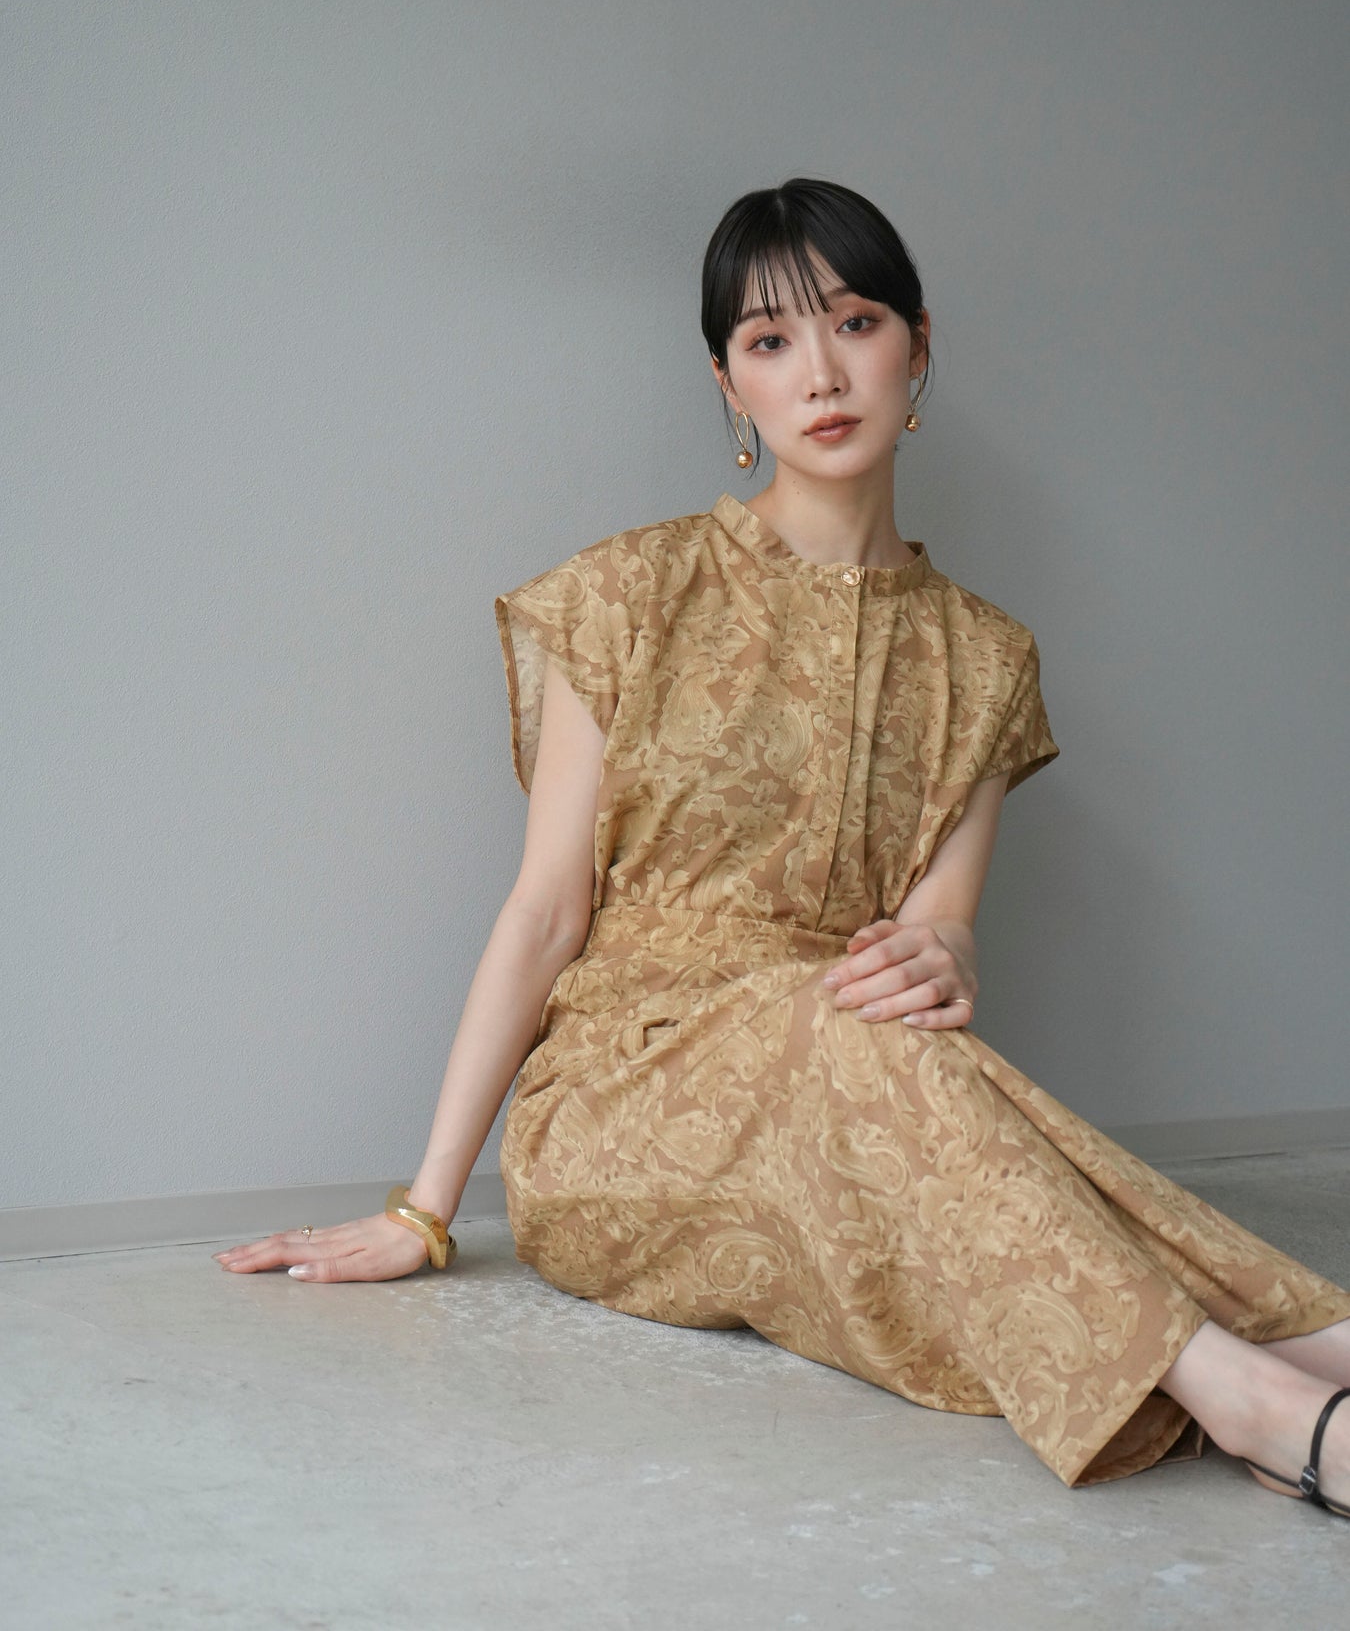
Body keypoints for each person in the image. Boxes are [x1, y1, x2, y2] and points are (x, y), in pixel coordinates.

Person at [214, 177, 1350, 1509]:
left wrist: (943, 955)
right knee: (845, 1031)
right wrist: (424, 1207)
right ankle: (1264, 1391)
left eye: (855, 323)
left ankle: (1293, 1355)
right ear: (728, 383)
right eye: (769, 341)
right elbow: (543, 915)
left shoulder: (987, 659)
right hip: (624, 1120)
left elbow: (941, 931)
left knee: (867, 1030)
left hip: (851, 1101)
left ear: (917, 345)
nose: (820, 372)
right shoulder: (624, 595)